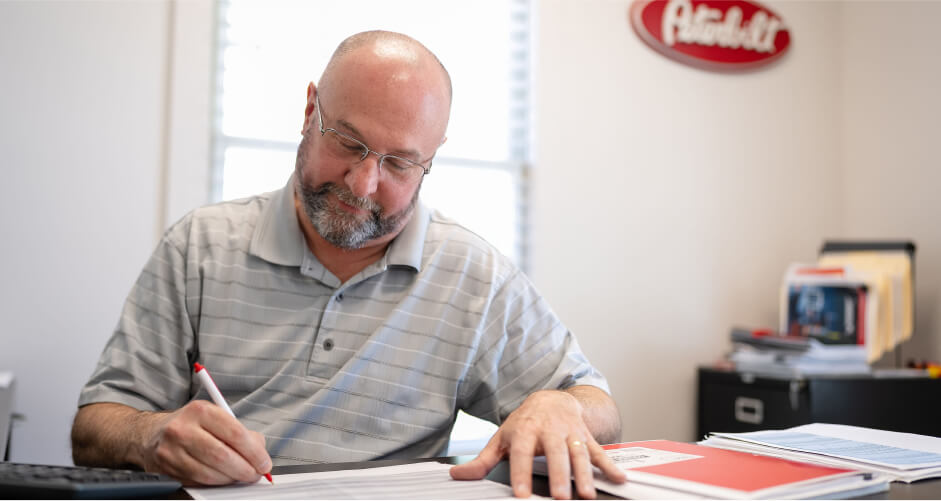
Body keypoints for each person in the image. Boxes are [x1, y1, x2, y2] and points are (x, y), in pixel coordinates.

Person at [70, 30, 626, 499]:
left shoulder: (474, 276)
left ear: (431, 159)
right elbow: (94, 427)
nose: (363, 184)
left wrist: (557, 406)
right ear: (311, 110)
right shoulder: (200, 245)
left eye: (400, 163)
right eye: (348, 142)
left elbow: (596, 403)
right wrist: (154, 435)